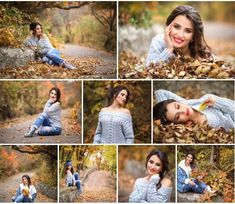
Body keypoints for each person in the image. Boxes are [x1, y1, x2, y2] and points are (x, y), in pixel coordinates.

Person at [146, 5, 213, 66]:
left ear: (193, 36)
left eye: (188, 31)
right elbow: (148, 69)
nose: (180, 35)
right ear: (169, 26)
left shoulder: (199, 49)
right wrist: (168, 50)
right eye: (177, 27)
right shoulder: (158, 41)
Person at [153, 89, 235, 131]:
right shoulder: (193, 131)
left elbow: (160, 92)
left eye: (177, 106)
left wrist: (218, 102)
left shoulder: (207, 100)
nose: (183, 111)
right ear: (177, 123)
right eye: (178, 116)